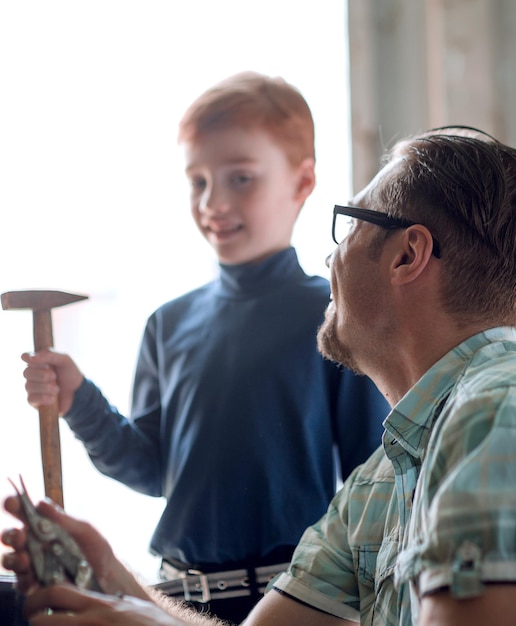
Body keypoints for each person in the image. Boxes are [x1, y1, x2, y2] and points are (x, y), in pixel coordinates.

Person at [4, 126, 516, 626]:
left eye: (349, 225)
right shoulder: (380, 480)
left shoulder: (494, 413)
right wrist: (112, 579)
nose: (330, 255)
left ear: (407, 255)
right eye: (198, 182)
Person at [17, 72, 387, 623]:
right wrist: (80, 402)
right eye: (198, 181)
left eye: (241, 178)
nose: (213, 201)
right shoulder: (168, 324)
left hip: (296, 600)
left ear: (303, 181)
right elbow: (149, 468)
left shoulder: (336, 316)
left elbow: (371, 473)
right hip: (170, 597)